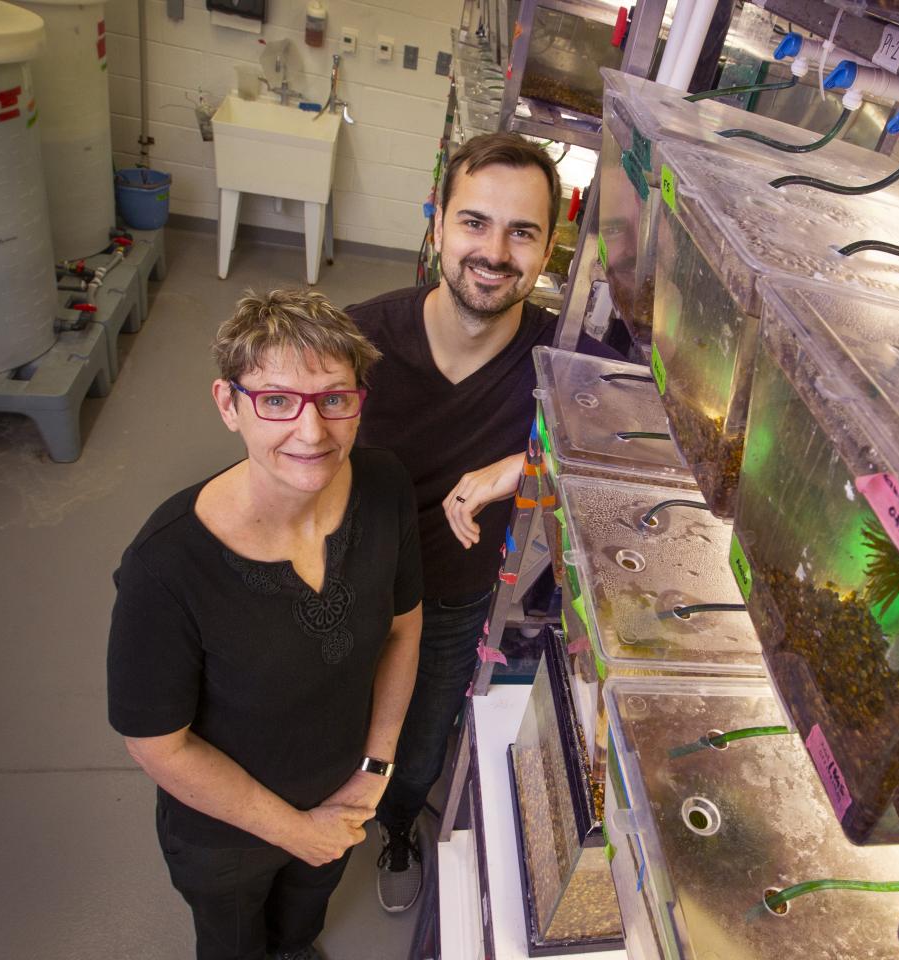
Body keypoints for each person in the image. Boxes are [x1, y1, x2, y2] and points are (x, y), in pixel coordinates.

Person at [348, 131, 621, 913]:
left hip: (454, 600)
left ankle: (399, 825)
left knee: (424, 734)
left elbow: (665, 437)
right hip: (345, 587)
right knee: (323, 725)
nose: (494, 252)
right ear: (437, 225)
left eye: (522, 232)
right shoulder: (356, 338)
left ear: (548, 249)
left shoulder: (563, 359)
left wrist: (525, 463)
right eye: (475, 222)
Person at [107, 290, 424, 960]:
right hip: (229, 836)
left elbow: (403, 625)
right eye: (277, 401)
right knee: (235, 942)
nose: (312, 433)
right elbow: (158, 746)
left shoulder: (385, 485)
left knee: (302, 927)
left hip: (343, 800)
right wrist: (295, 831)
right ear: (229, 404)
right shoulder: (165, 566)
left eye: (334, 398)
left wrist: (374, 767)